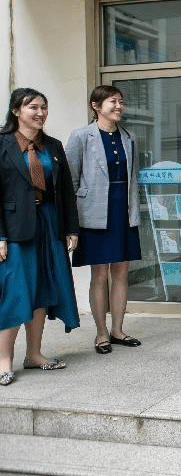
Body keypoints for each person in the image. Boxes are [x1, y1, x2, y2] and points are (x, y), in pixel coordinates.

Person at [0, 88, 80, 386]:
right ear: (16, 111)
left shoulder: (53, 146)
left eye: (44, 107)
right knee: (16, 291)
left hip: (49, 224)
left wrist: (71, 228)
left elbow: (66, 191)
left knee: (43, 288)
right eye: (33, 107)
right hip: (15, 229)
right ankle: (4, 360)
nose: (40, 112)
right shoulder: (2, 144)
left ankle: (34, 355)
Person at [66, 85, 143, 355]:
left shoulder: (129, 137)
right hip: (95, 212)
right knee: (99, 274)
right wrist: (71, 221)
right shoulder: (81, 137)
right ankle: (101, 333)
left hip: (124, 210)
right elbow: (70, 181)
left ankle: (118, 330)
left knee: (121, 271)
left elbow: (133, 176)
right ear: (96, 106)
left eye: (121, 101)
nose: (119, 106)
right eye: (113, 101)